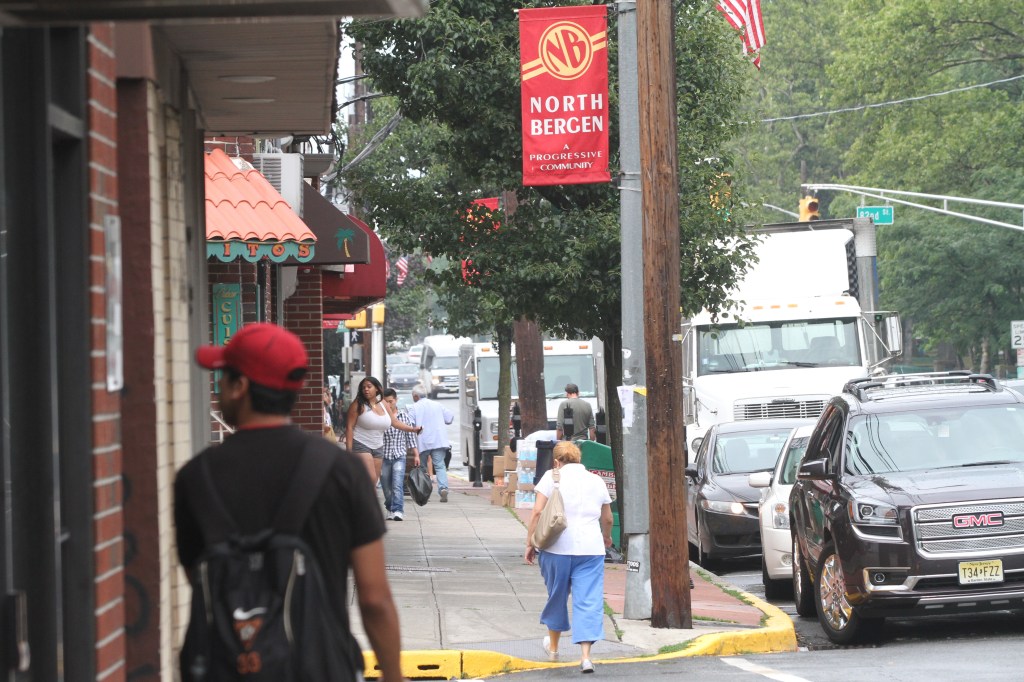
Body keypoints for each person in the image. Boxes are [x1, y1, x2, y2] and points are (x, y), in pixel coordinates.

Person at [174, 322, 402, 682]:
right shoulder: (341, 472)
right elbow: (374, 598)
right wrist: (393, 675)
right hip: (320, 667)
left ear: (241, 387)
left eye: (223, 377)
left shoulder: (194, 477)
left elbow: (200, 579)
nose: (218, 388)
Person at [525, 440, 613, 674]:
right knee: (589, 600)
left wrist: (530, 542)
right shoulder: (596, 480)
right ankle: (585, 656)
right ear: (579, 459)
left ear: (557, 461)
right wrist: (606, 537)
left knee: (557, 596)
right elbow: (607, 518)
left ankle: (553, 648)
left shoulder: (551, 477)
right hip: (591, 549)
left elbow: (536, 512)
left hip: (556, 548)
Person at [346, 376, 421, 486]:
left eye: (369, 386)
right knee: (370, 478)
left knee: (374, 481)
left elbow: (394, 422)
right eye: (363, 388)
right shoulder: (358, 405)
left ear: (377, 388)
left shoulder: (383, 404)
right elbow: (349, 428)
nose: (366, 389)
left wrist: (412, 429)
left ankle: (363, 501)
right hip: (361, 444)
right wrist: (348, 452)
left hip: (378, 446)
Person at [409, 386, 455, 502]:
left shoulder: (413, 407)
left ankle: (425, 492)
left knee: (423, 469)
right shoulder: (437, 405)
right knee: (440, 466)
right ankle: (443, 488)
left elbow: (410, 424)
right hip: (438, 440)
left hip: (422, 441)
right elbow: (449, 418)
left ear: (415, 396)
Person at [381, 388, 419, 521]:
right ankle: (390, 507)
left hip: (399, 455)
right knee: (385, 486)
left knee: (397, 484)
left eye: (390, 401)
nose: (388, 405)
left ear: (396, 400)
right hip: (384, 456)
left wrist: (416, 455)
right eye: (385, 402)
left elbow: (411, 437)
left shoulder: (403, 416)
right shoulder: (381, 417)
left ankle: (398, 510)